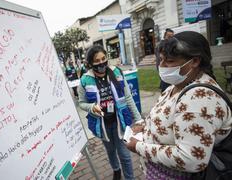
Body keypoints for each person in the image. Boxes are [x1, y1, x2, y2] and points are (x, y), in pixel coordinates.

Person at [126, 31, 232, 179]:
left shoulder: (199, 99)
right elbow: (168, 116)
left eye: (169, 61)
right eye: (161, 59)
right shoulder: (179, 83)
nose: (161, 66)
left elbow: (191, 159)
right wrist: (145, 125)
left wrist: (137, 146)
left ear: (195, 61)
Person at [78, 45, 141, 180]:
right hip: (102, 125)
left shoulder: (116, 72)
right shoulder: (85, 80)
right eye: (97, 60)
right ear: (90, 63)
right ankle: (116, 170)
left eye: (103, 58)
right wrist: (91, 107)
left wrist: (139, 119)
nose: (101, 63)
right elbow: (81, 103)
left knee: (124, 154)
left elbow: (128, 97)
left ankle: (130, 178)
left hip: (120, 121)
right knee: (111, 151)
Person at [156, 28, 174, 93]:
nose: (170, 39)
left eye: (172, 37)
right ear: (164, 36)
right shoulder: (161, 45)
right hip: (166, 74)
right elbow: (159, 61)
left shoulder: (172, 45)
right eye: (169, 37)